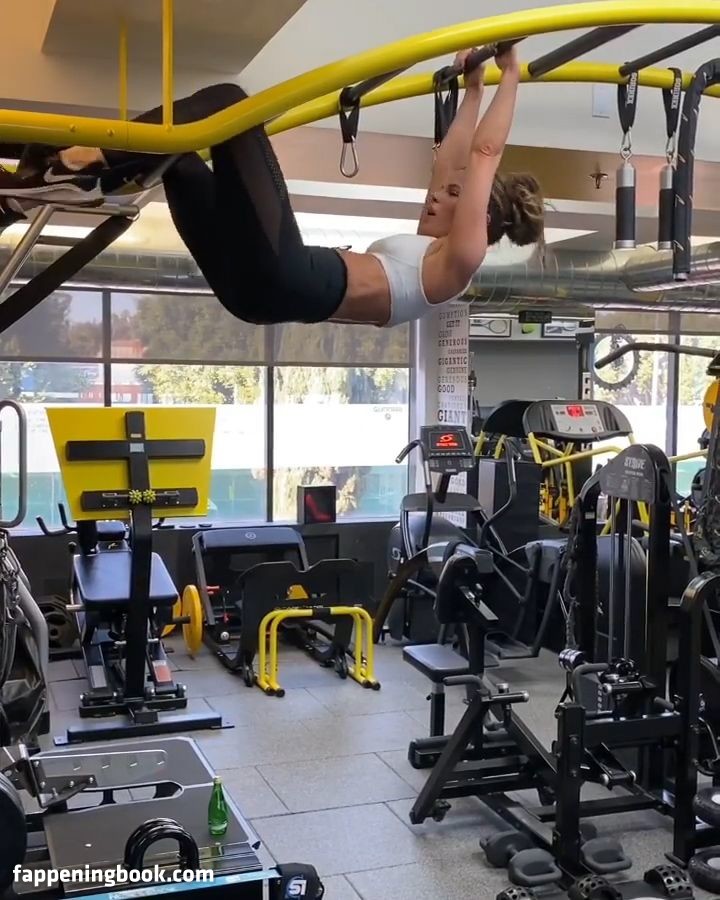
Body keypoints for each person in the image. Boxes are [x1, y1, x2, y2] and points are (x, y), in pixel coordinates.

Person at [0, 44, 543, 328]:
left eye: (455, 197)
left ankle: (72, 161)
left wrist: (512, 77)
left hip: (286, 276)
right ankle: (43, 188)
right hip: (251, 292)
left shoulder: (458, 263)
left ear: (480, 222)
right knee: (180, 159)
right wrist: (474, 88)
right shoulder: (432, 247)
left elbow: (482, 156)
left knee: (229, 105)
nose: (437, 195)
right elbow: (453, 160)